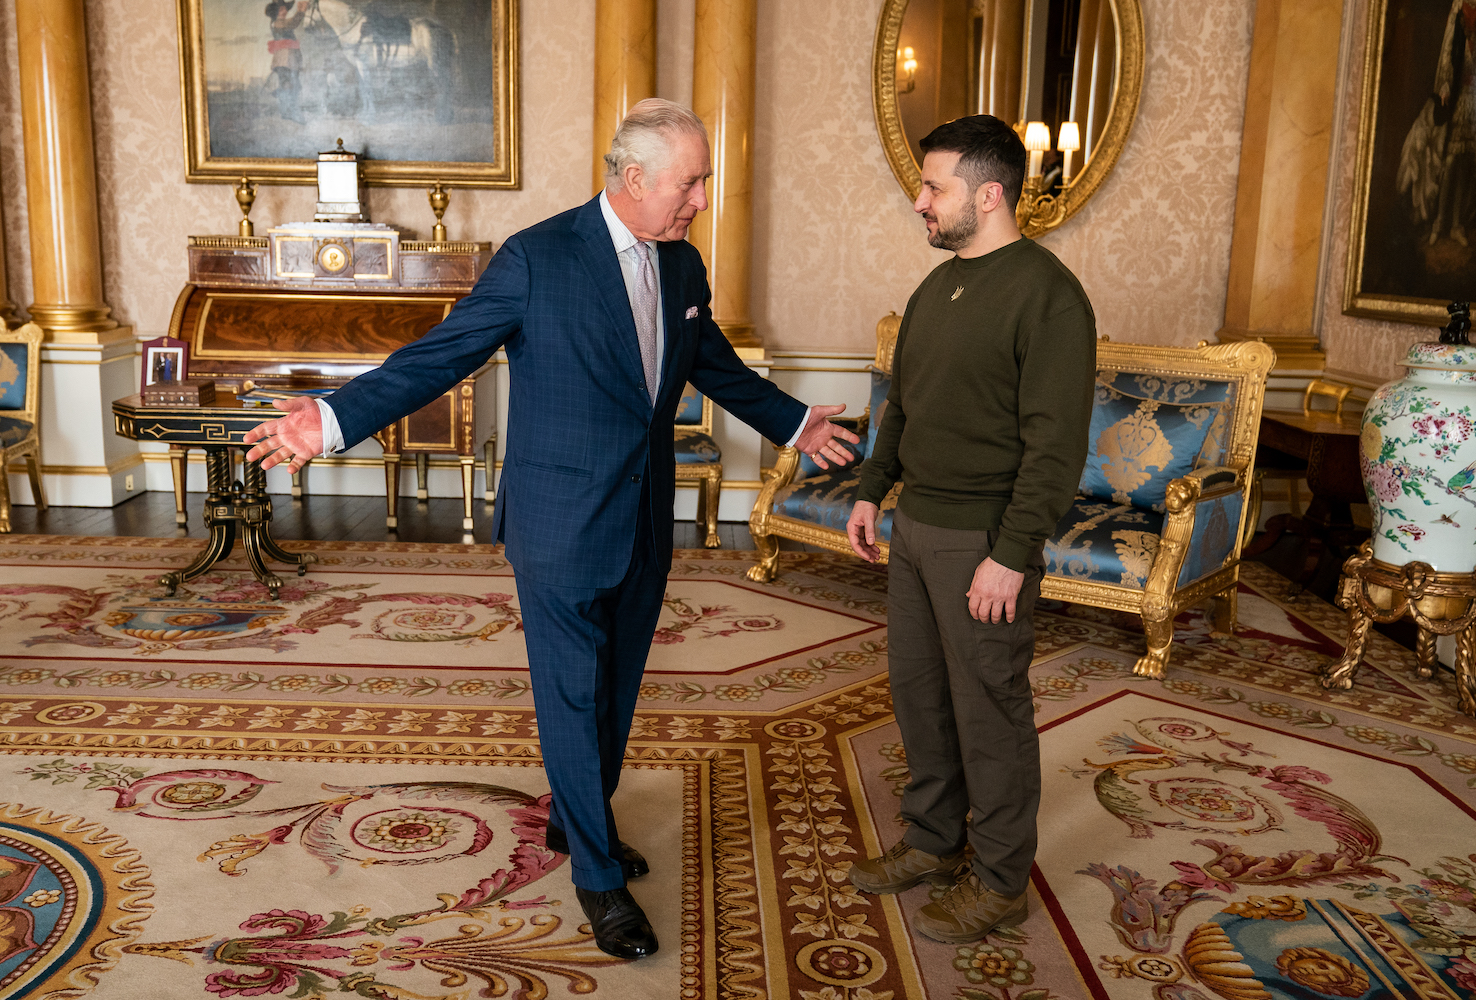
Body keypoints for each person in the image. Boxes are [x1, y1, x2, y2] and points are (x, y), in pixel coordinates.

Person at [243, 99, 858, 961]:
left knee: (616, 688)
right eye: (691, 181)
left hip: (645, 510)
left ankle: (580, 822)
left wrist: (796, 423)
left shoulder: (682, 266)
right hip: (560, 519)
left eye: (705, 180)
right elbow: (441, 354)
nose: (703, 199)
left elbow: (709, 360)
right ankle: (598, 880)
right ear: (633, 178)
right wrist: (335, 420)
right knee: (572, 695)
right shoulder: (538, 257)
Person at [844, 115, 1095, 944]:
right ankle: (931, 840)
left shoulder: (1048, 295)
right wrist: (872, 491)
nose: (919, 202)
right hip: (916, 529)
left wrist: (1010, 556)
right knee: (921, 701)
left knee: (989, 711)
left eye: (934, 187)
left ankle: (998, 880)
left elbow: (1055, 450)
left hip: (982, 540)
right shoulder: (935, 287)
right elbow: (903, 407)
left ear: (989, 195)